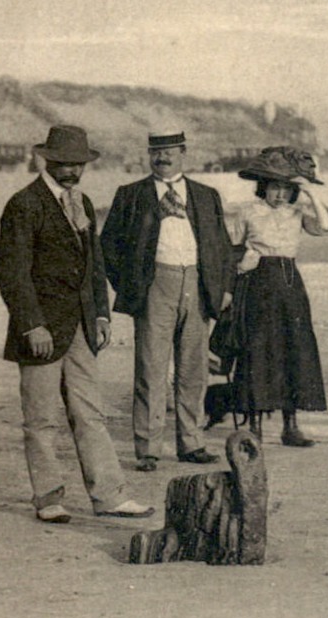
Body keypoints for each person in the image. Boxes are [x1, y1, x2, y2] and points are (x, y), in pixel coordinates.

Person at [0, 125, 155, 524]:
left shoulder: (81, 201)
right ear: (46, 160)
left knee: (90, 414)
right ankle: (48, 499)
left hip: (82, 328)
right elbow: (13, 274)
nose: (71, 170)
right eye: (64, 163)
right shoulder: (24, 204)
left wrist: (101, 313)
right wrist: (32, 326)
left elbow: (93, 265)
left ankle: (110, 495)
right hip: (41, 332)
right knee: (41, 418)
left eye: (78, 164)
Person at [100, 130, 235, 472]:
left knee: (194, 370)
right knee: (150, 370)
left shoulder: (206, 195)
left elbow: (222, 247)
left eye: (169, 151)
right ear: (149, 154)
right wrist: (133, 285)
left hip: (197, 285)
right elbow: (108, 248)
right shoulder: (131, 195)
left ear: (183, 152)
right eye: (156, 151)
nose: (162, 157)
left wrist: (223, 288)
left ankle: (192, 444)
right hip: (154, 286)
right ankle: (148, 449)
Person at [226, 147, 328, 446]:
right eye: (275, 187)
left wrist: (310, 193)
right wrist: (242, 260)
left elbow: (324, 227)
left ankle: (291, 426)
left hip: (289, 283)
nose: (280, 195)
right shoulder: (247, 211)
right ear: (263, 185)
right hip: (257, 282)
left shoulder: (297, 213)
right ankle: (255, 426)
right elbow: (230, 247)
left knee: (294, 348)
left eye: (287, 188)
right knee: (257, 350)